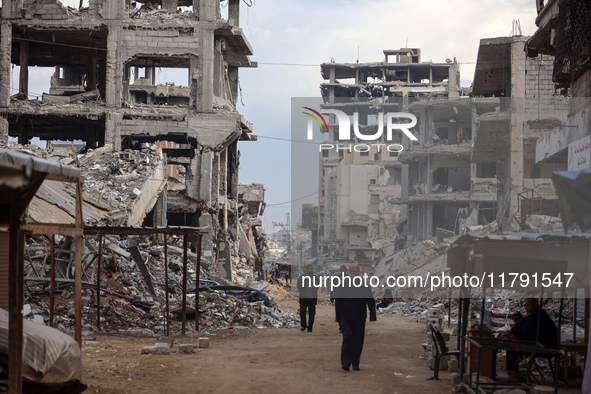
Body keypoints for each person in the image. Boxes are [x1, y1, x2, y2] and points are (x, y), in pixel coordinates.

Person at [500, 298, 558, 382]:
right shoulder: (533, 314)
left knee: (512, 348)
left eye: (526, 305)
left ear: (532, 305)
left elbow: (529, 332)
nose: (525, 307)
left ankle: (514, 376)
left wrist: (516, 336)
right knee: (512, 344)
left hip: (542, 346)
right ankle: (514, 374)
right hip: (536, 342)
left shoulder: (537, 315)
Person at [335, 263, 376, 371]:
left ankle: (355, 363)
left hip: (359, 316)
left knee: (358, 340)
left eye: (358, 271)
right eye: (354, 271)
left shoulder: (364, 284)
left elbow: (370, 300)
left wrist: (372, 314)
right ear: (349, 272)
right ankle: (345, 362)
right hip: (346, 316)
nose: (356, 273)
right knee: (347, 337)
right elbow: (338, 301)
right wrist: (338, 318)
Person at [297, 264, 318, 332]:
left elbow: (317, 286)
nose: (311, 270)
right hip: (304, 298)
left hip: (312, 298)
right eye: (310, 269)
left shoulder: (315, 278)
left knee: (312, 313)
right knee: (302, 312)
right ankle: (304, 325)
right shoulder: (302, 277)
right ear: (307, 269)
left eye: (312, 269)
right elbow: (299, 286)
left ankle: (310, 327)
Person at [330, 265, 348, 333]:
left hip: (347, 298)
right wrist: (332, 296)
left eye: (344, 270)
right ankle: (340, 326)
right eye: (342, 270)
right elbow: (333, 287)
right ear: (340, 270)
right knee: (338, 312)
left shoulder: (348, 278)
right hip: (338, 297)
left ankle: (345, 325)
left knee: (346, 312)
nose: (343, 271)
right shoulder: (336, 278)